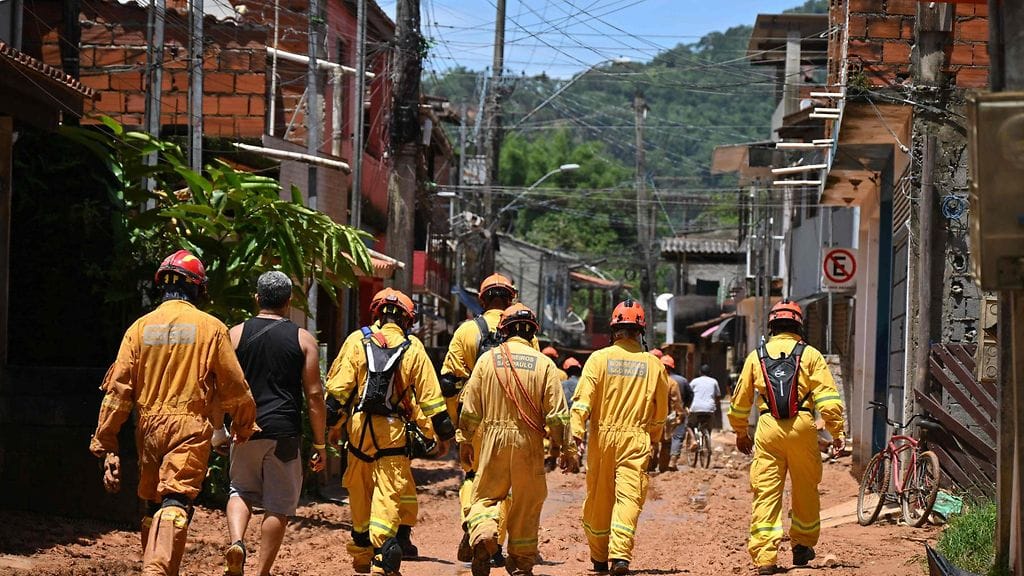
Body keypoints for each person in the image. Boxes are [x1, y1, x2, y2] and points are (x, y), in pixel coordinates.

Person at [89, 250, 258, 576]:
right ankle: (155, 571)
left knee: (154, 503)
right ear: (198, 288)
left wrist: (106, 441)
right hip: (190, 427)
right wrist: (244, 424)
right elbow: (234, 386)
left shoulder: (138, 329)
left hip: (148, 429)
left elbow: (118, 391)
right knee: (176, 500)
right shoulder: (210, 328)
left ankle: (161, 568)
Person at [325, 289, 455, 576]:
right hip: (393, 431)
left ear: (377, 313)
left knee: (359, 489)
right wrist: (443, 437)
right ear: (408, 320)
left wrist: (332, 428)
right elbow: (432, 401)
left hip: (358, 429)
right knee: (388, 491)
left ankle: (361, 548)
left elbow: (338, 393)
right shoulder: (414, 349)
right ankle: (384, 549)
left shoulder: (356, 341)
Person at [727, 300, 846, 575]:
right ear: (798, 325)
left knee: (766, 491)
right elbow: (828, 401)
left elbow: (740, 402)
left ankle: (765, 557)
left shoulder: (756, 356)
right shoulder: (811, 355)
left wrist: (741, 432)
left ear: (771, 326)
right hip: (803, 426)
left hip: (768, 426)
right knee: (806, 488)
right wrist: (837, 432)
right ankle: (802, 546)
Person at [222, 271, 327, 576]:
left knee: (239, 490)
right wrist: (319, 443)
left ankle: (238, 542)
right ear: (289, 301)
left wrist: (219, 428)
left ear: (257, 298)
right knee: (278, 505)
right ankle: (261, 572)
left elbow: (220, 386)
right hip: (284, 433)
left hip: (244, 429)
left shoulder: (235, 334)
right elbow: (315, 395)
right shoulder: (303, 339)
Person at [459, 303, 572, 576]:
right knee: (527, 502)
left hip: (492, 440)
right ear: (533, 332)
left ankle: (485, 534)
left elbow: (470, 407)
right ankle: (521, 561)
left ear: (503, 331)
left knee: (485, 496)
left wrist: (464, 439)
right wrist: (563, 448)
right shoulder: (545, 364)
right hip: (529, 442)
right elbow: (557, 415)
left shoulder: (487, 360)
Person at [570, 300, 669, 576]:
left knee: (599, 499)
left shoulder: (598, 359)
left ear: (614, 330)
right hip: (636, 438)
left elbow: (581, 402)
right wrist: (654, 435)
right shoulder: (654, 365)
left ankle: (599, 557)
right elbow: (660, 411)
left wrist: (576, 434)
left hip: (601, 439)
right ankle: (620, 556)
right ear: (641, 332)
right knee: (629, 497)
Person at [440, 273, 517, 565]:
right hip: (509, 422)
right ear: (511, 299)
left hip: (473, 420)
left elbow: (448, 383)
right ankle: (493, 540)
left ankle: (473, 523)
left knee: (473, 477)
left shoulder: (466, 332)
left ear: (482, 300)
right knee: (503, 483)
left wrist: (454, 423)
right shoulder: (523, 333)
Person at [650, 355, 685, 473]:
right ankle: (663, 468)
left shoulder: (651, 381)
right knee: (666, 444)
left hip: (651, 417)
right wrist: (680, 416)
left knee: (651, 442)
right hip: (666, 418)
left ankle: (650, 465)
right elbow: (676, 402)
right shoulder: (672, 383)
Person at [664, 356, 692, 471]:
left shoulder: (656, 380)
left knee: (661, 440)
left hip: (659, 414)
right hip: (674, 413)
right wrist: (684, 409)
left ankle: (654, 463)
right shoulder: (681, 380)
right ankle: (672, 460)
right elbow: (689, 395)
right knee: (677, 436)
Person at [686, 364, 721, 451]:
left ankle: (694, 440)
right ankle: (707, 439)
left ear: (700, 372)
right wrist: (714, 405)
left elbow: (688, 394)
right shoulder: (714, 381)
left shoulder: (694, 381)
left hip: (695, 408)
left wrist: (687, 405)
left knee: (688, 425)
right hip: (710, 408)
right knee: (709, 425)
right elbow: (718, 396)